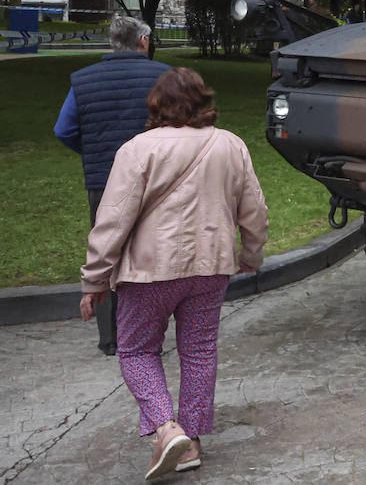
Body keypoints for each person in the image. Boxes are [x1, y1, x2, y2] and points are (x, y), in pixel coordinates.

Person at [80, 67, 268, 480]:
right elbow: (254, 211)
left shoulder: (138, 149)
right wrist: (251, 255)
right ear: (204, 100)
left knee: (136, 350)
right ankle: (192, 443)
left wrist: (94, 279)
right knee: (199, 351)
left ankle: (167, 429)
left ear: (157, 104)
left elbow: (111, 221)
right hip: (211, 268)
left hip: (150, 271)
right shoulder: (231, 145)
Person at [53, 14, 172, 355]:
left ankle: (110, 338)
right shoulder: (164, 77)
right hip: (155, 180)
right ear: (143, 41)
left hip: (102, 178)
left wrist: (91, 151)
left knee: (106, 252)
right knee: (152, 253)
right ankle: (146, 333)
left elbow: (64, 130)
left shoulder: (83, 80)